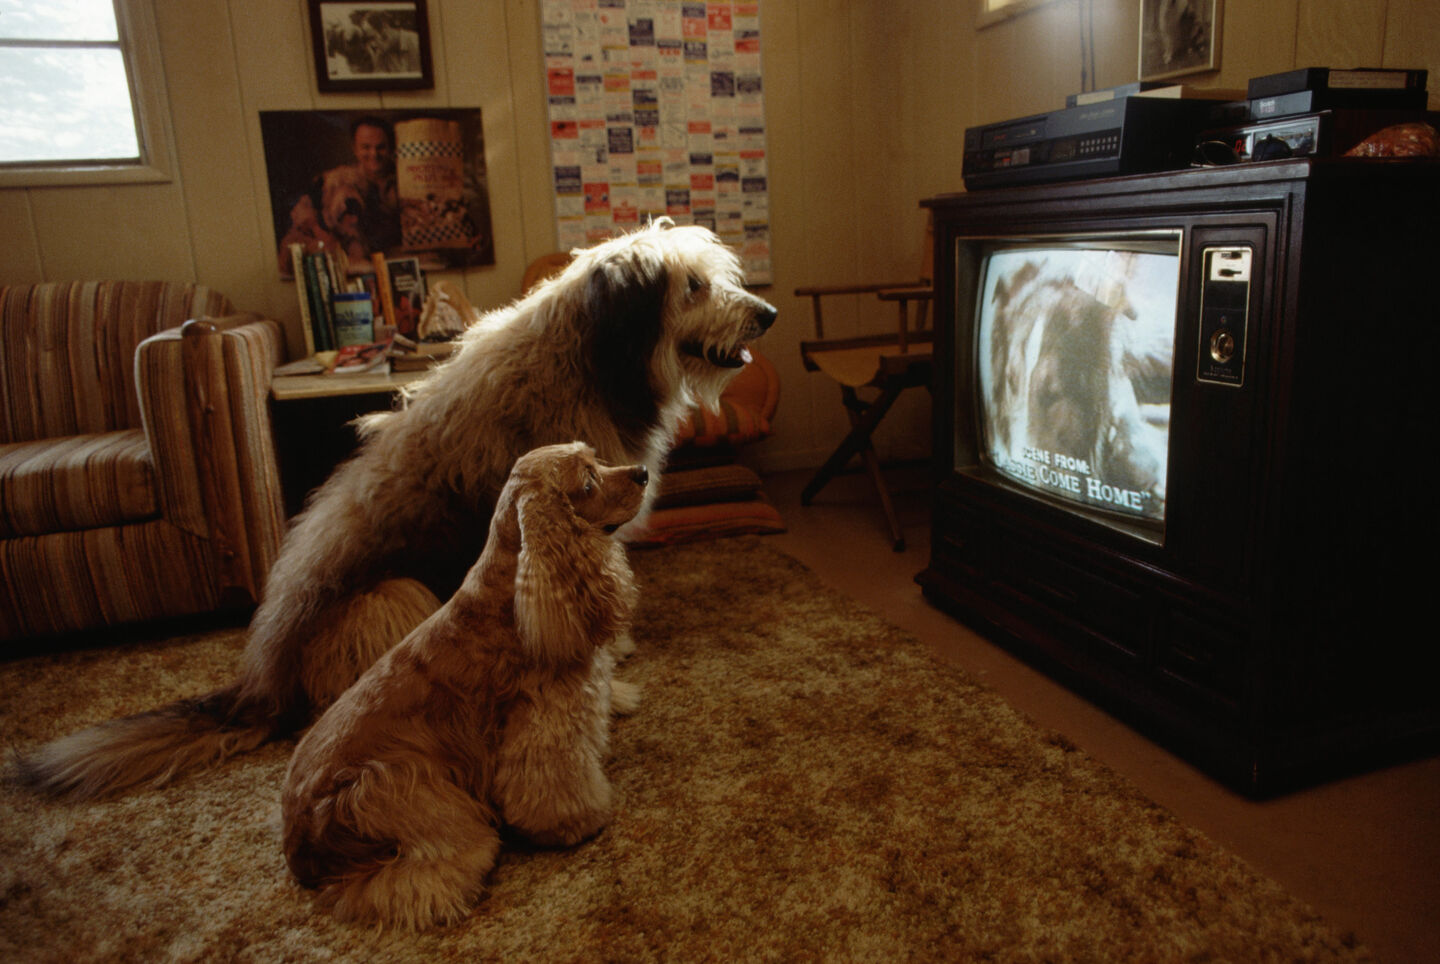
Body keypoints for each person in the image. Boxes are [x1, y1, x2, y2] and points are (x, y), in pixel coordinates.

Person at [278, 116, 400, 274]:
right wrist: (321, 233)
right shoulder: (339, 178)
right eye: (366, 147)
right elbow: (304, 210)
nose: (373, 153)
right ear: (355, 149)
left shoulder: (400, 181)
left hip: (377, 251)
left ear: (390, 148)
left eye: (380, 147)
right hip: (337, 248)